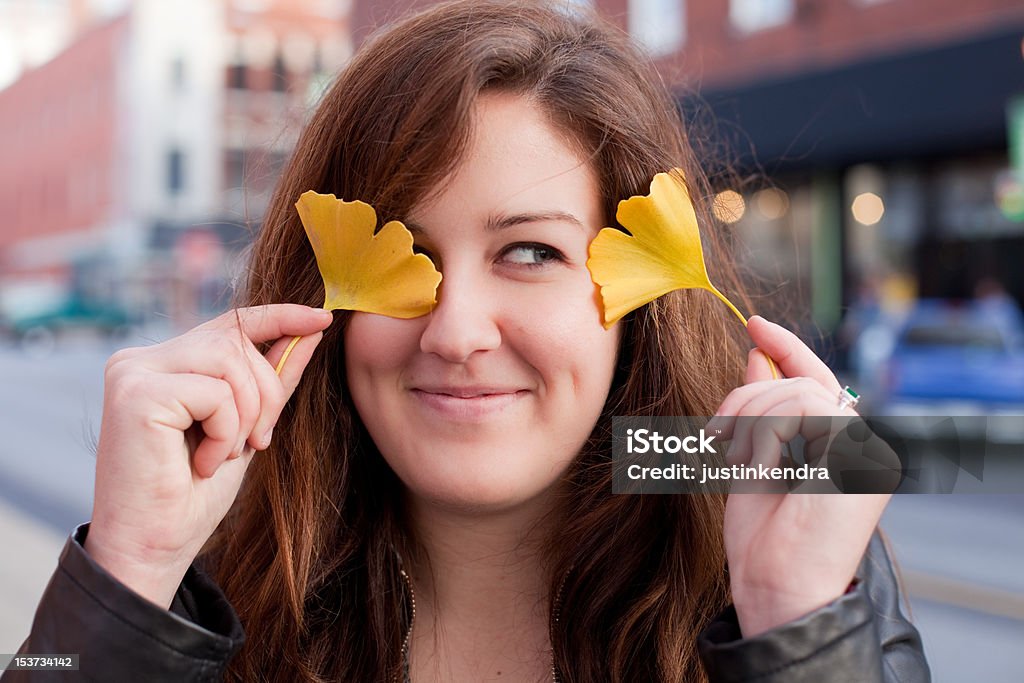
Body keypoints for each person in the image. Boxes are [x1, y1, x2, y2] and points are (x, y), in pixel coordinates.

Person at [7, 1, 928, 681]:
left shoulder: (806, 579)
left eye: (530, 251)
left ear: (645, 299)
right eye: (401, 255)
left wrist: (796, 628)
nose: (454, 332)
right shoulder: (201, 584)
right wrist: (124, 582)